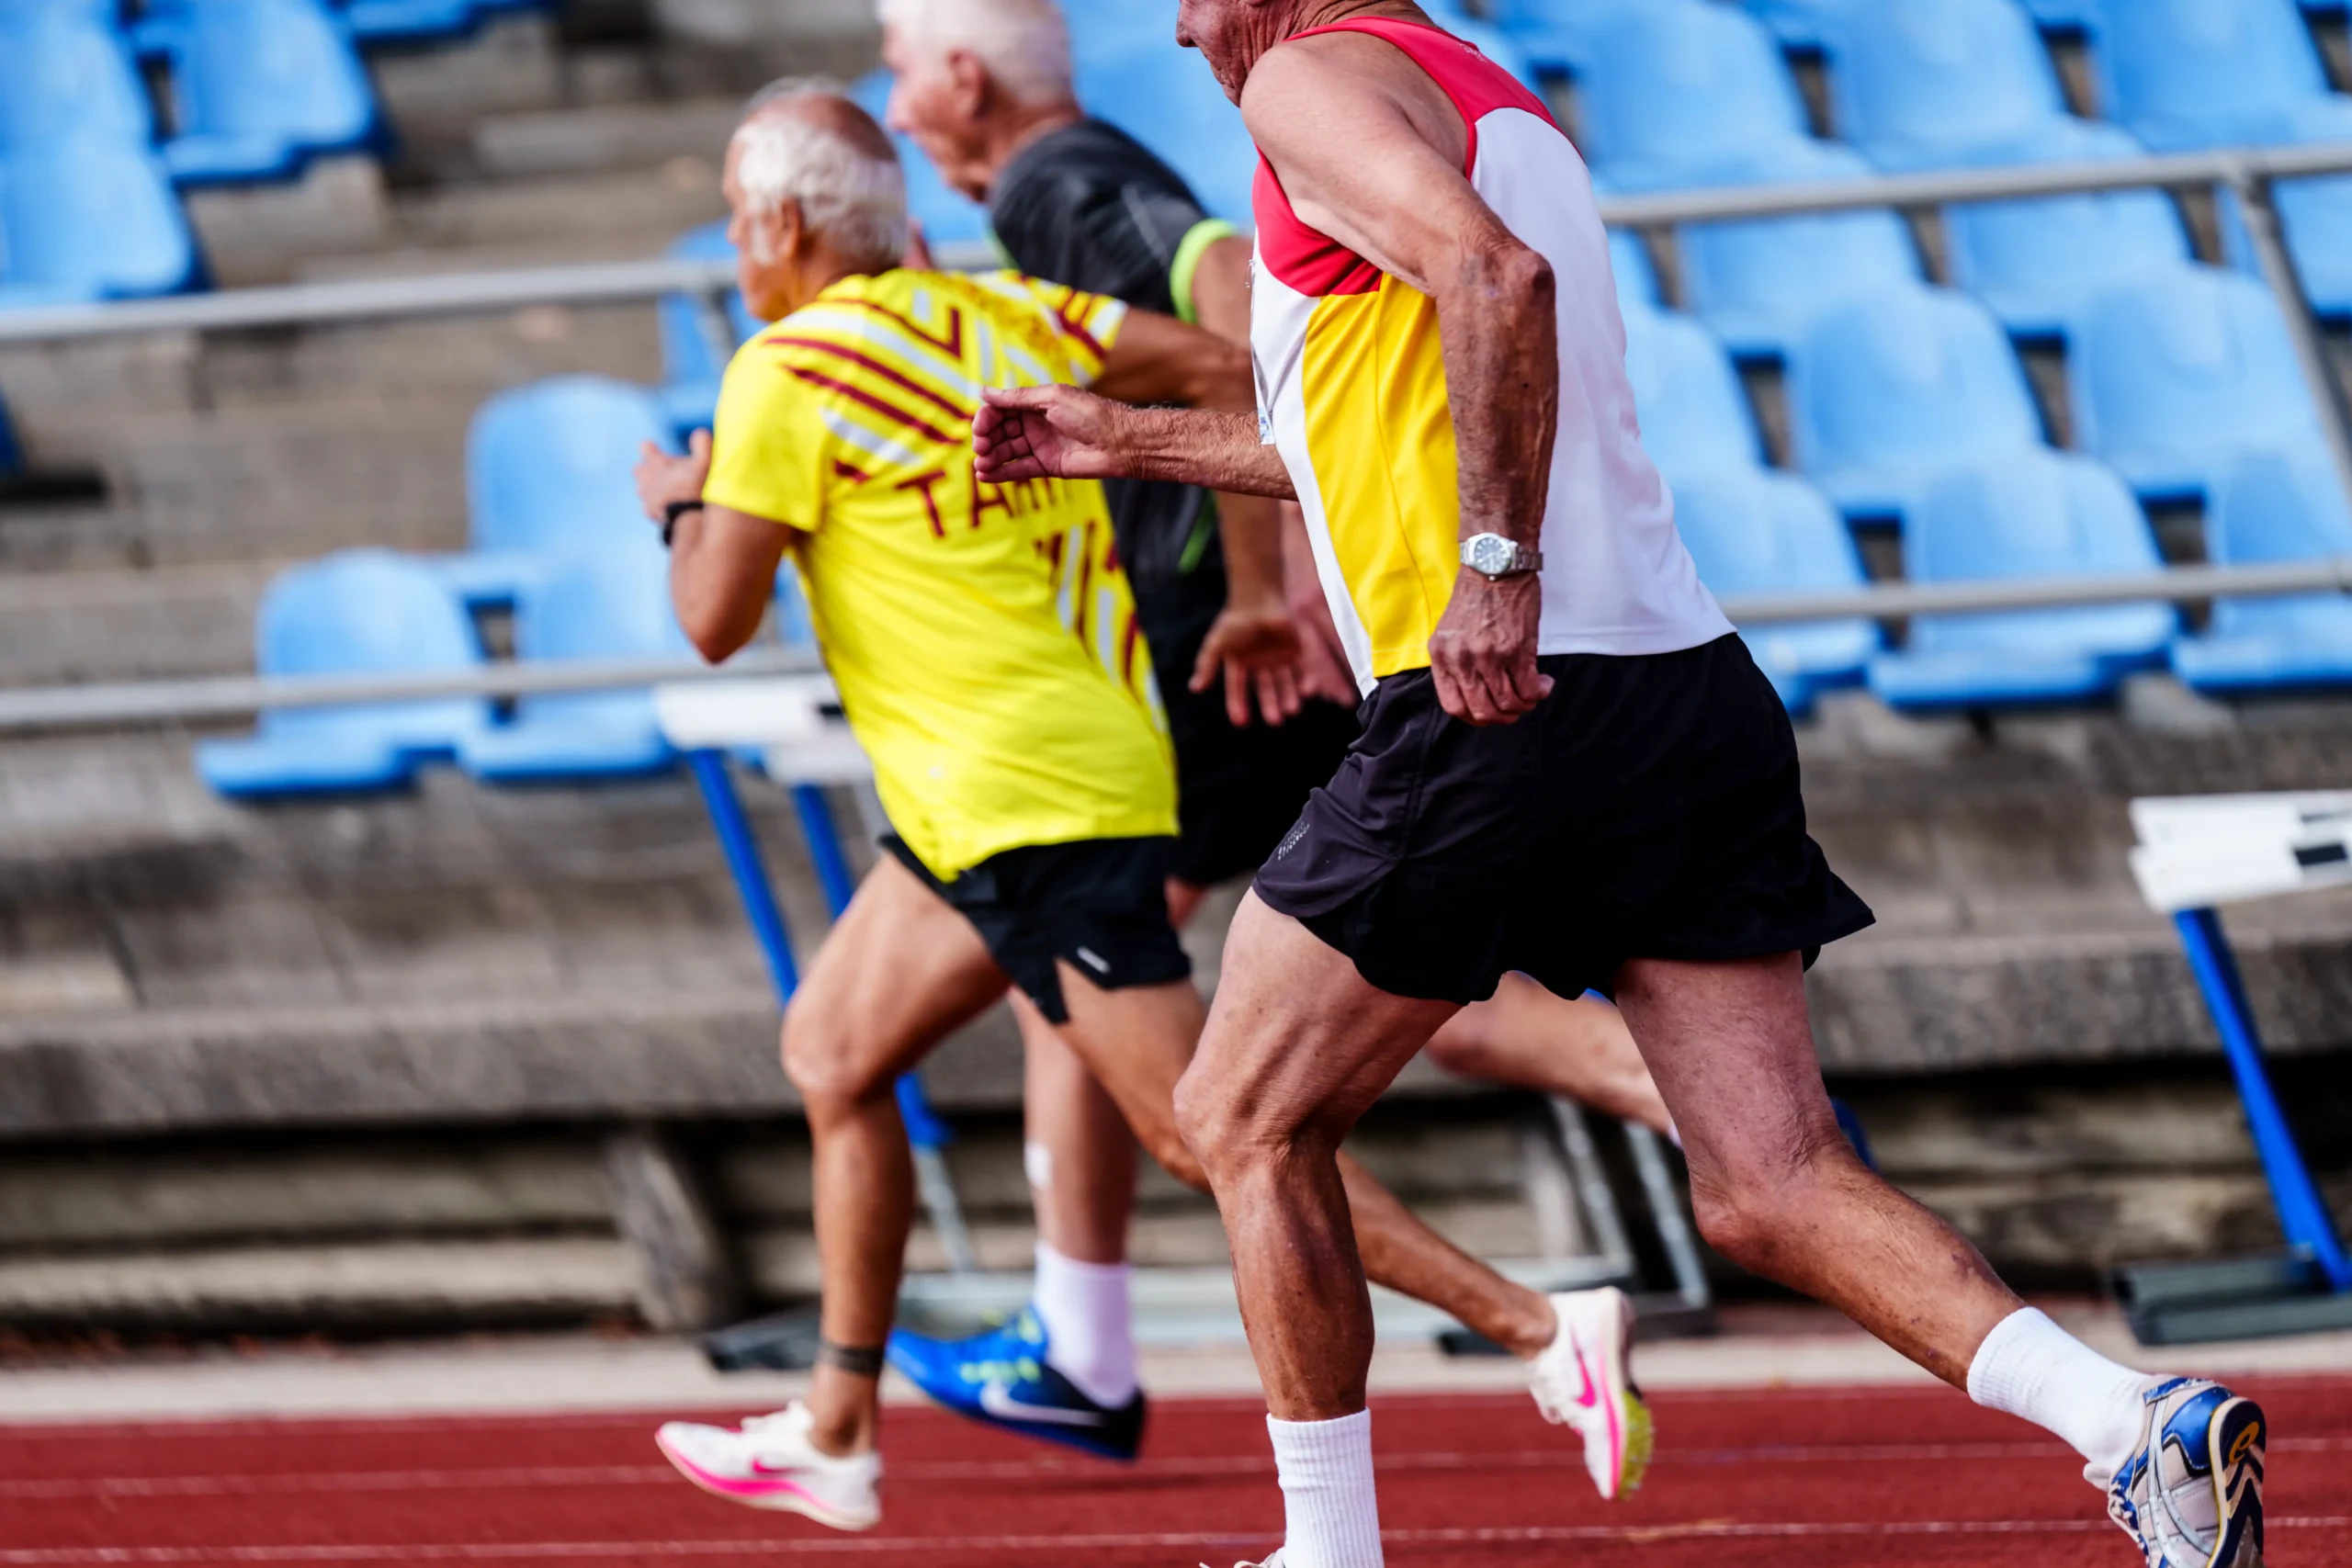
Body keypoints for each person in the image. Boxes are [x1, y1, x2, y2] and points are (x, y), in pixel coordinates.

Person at [970, 6, 2270, 1568]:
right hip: (1678, 683)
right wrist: (1129, 437)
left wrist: (1497, 572)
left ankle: (1329, 1550)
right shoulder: (1485, 91)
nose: (1182, 27)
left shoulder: (1308, 81)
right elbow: (1386, 406)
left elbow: (1493, 284)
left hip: (1498, 693)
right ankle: (2134, 1421)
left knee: (1240, 1112)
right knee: (1772, 1183)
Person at [640, 83, 1651, 1534]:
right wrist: (1247, 580)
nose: (740, 250)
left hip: (1030, 805)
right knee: (833, 1048)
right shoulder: (1000, 314)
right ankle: (837, 1427)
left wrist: (683, 501)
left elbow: (712, 618)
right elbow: (1240, 365)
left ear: (784, 226)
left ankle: (1542, 1329)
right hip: (1011, 787)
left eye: (741, 223)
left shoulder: (783, 372)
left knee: (1211, 1132)